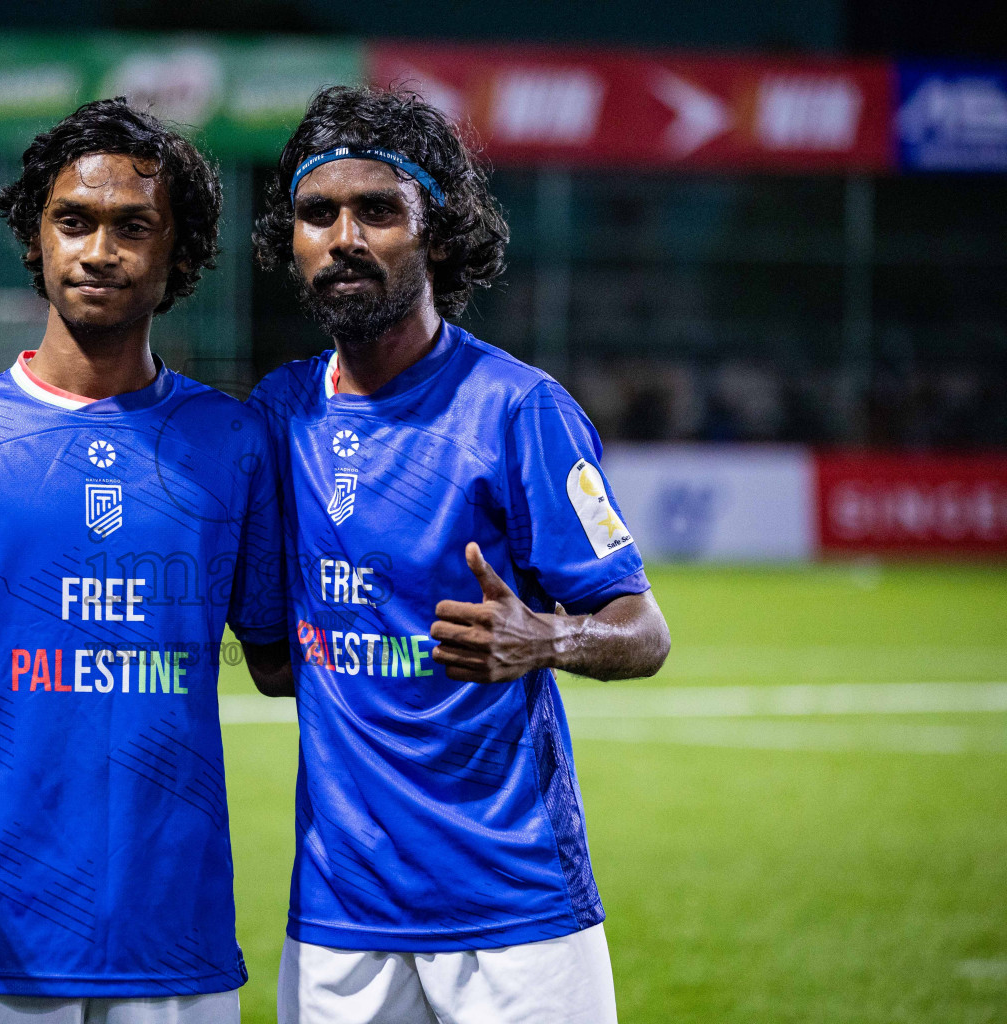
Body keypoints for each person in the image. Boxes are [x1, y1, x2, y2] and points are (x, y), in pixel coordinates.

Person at [0, 98, 289, 1024]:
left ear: (178, 254)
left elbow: (280, 660)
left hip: (175, 940)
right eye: (73, 221)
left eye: (132, 226)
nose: (98, 249)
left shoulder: (233, 443)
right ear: (36, 239)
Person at [242, 86, 672, 1024]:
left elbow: (644, 630)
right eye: (319, 214)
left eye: (379, 210)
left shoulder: (519, 411)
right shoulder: (277, 417)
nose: (344, 236)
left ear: (437, 233)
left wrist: (547, 640)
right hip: (340, 916)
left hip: (515, 909)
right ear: (294, 243)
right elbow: (276, 666)